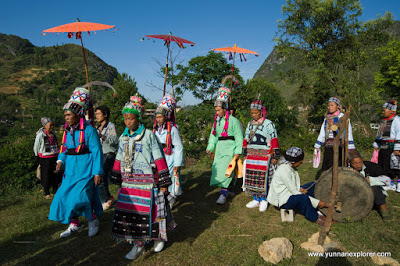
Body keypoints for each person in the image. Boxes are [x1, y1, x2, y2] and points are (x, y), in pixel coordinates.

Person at [110, 95, 174, 261]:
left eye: (130, 118)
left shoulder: (148, 136)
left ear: (138, 118)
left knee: (152, 212)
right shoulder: (123, 138)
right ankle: (137, 244)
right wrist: (116, 177)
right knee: (133, 213)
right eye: (125, 118)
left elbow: (159, 157)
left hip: (147, 183)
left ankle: (158, 237)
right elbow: (118, 157)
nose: (127, 122)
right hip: (129, 182)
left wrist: (164, 182)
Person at [48, 87, 104, 238]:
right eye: (65, 115)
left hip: (86, 169)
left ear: (77, 114)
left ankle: (92, 220)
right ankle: (75, 223)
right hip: (71, 170)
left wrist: (97, 172)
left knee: (81, 197)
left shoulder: (89, 131)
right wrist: (60, 160)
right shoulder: (68, 131)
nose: (66, 117)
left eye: (68, 114)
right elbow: (64, 148)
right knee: (63, 196)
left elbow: (97, 151)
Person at [267, 147, 329, 225]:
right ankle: (314, 217)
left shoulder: (291, 167)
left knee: (312, 185)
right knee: (303, 198)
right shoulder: (284, 171)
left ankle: (317, 209)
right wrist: (317, 202)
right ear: (293, 162)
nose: (301, 163)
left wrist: (300, 189)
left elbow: (293, 186)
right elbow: (293, 191)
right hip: (282, 200)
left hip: (288, 192)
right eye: (300, 162)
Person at [206, 87, 243, 205]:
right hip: (220, 149)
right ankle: (230, 190)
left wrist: (237, 151)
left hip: (230, 149)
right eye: (215, 110)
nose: (216, 112)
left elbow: (239, 137)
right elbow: (213, 136)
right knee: (218, 169)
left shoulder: (234, 121)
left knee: (226, 170)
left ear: (224, 109)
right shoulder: (217, 122)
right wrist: (210, 147)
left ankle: (223, 194)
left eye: (218, 110)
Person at [242, 100, 279, 212]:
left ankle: (264, 199)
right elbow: (246, 138)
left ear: (261, 112)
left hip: (265, 155)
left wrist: (275, 156)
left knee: (263, 177)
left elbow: (274, 139)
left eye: (255, 113)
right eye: (252, 113)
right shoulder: (250, 124)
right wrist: (244, 153)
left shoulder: (268, 124)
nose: (253, 115)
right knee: (253, 177)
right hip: (252, 155)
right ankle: (256, 199)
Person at [153, 94, 184, 208]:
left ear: (166, 116)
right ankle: (162, 196)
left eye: (160, 117)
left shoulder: (173, 129)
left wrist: (177, 163)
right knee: (160, 177)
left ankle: (171, 197)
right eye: (157, 117)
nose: (158, 119)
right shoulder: (155, 129)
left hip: (170, 156)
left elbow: (179, 147)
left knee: (170, 176)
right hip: (159, 157)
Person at [347, 150, 392, 220]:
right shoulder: (346, 170)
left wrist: (370, 180)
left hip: (370, 193)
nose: (358, 165)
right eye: (355, 163)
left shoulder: (371, 166)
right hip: (354, 193)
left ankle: (384, 211)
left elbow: (387, 180)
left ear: (362, 160)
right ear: (349, 163)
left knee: (375, 189)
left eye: (359, 162)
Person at [314, 97, 355, 172]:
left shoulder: (343, 117)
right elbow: (322, 133)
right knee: (328, 166)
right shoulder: (326, 118)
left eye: (332, 105)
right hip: (329, 146)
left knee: (339, 165)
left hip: (340, 146)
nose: (329, 107)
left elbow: (348, 133)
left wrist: (350, 148)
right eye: (328, 105)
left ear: (338, 106)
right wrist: (317, 145)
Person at [372, 100, 400, 192]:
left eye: (385, 110)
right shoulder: (383, 122)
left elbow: (399, 134)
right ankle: (389, 182)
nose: (383, 112)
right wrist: (376, 144)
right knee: (384, 165)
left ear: (392, 110)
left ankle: (397, 183)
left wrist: (397, 148)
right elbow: (379, 134)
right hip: (384, 147)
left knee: (394, 166)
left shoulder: (397, 120)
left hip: (392, 147)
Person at [95, 105, 119, 210]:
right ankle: (106, 198)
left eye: (99, 114)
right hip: (99, 155)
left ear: (105, 115)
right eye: (96, 114)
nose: (97, 116)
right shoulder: (97, 128)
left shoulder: (111, 126)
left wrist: (103, 136)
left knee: (102, 177)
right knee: (100, 178)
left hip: (108, 154)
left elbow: (115, 141)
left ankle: (106, 199)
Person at [33, 117, 60, 199]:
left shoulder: (53, 134)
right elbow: (36, 146)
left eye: (52, 125)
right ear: (45, 125)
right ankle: (47, 193)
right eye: (50, 125)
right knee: (46, 175)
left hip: (54, 156)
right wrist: (37, 156)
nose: (52, 127)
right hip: (45, 158)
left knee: (55, 174)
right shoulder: (41, 135)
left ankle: (55, 191)